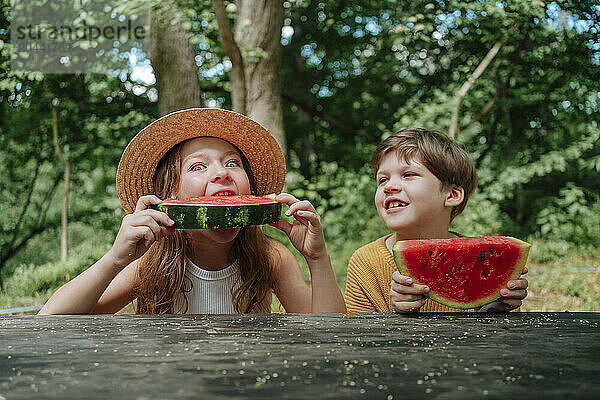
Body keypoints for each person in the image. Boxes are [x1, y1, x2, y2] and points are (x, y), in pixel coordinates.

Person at [40, 108, 345, 315]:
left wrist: (317, 259)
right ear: (170, 196)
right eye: (198, 166)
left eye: (232, 163)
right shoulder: (152, 262)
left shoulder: (271, 257)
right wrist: (115, 258)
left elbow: (328, 335)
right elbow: (52, 319)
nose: (222, 174)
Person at [344, 128, 528, 313]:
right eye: (382, 179)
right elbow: (358, 335)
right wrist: (397, 315)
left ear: (452, 195)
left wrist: (495, 310)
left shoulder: (481, 260)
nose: (389, 186)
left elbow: (502, 339)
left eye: (408, 175)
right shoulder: (365, 262)